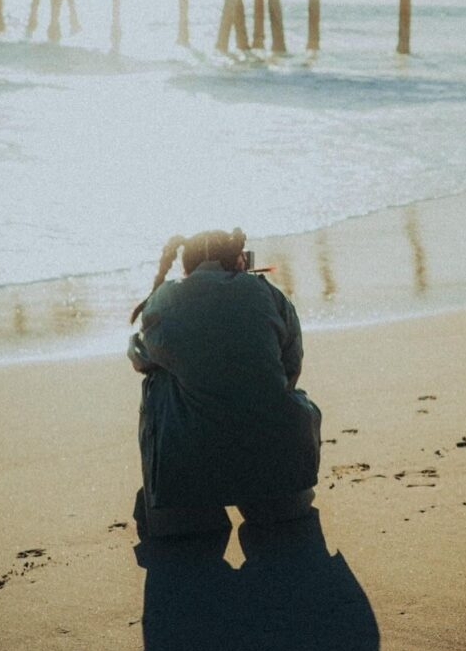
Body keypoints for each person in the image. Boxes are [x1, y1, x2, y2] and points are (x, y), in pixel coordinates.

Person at [128, 228, 322, 538]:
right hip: (280, 465)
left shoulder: (165, 298)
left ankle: (177, 508)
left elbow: (139, 358)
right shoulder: (267, 292)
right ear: (237, 259)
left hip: (194, 464)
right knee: (275, 386)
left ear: (186, 266)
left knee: (159, 379)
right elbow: (291, 369)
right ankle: (270, 498)